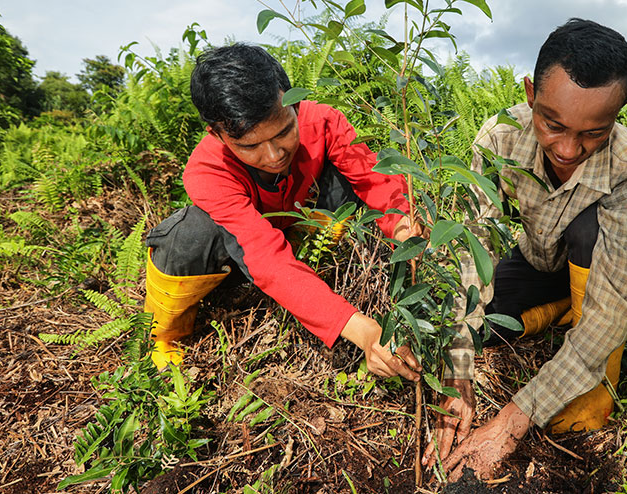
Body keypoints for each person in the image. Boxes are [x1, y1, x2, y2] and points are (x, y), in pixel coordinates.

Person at [420, 19, 627, 480]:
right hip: (540, 260)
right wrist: (458, 373)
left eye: (594, 132)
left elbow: (609, 316)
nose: (569, 149)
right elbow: (472, 253)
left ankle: (587, 343)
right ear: (531, 93)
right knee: (481, 325)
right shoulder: (499, 140)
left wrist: (512, 421)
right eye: (553, 125)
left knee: (588, 234)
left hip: (609, 263)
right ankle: (561, 308)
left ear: (622, 109)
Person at [142, 43, 422, 382]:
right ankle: (164, 335)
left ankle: (315, 252)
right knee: (187, 235)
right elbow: (266, 258)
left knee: (349, 178)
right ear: (217, 133)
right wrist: (363, 332)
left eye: (285, 132)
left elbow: (375, 181)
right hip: (242, 253)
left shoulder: (322, 121)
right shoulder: (207, 171)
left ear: (292, 100)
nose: (274, 155)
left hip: (294, 226)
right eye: (250, 146)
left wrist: (406, 232)